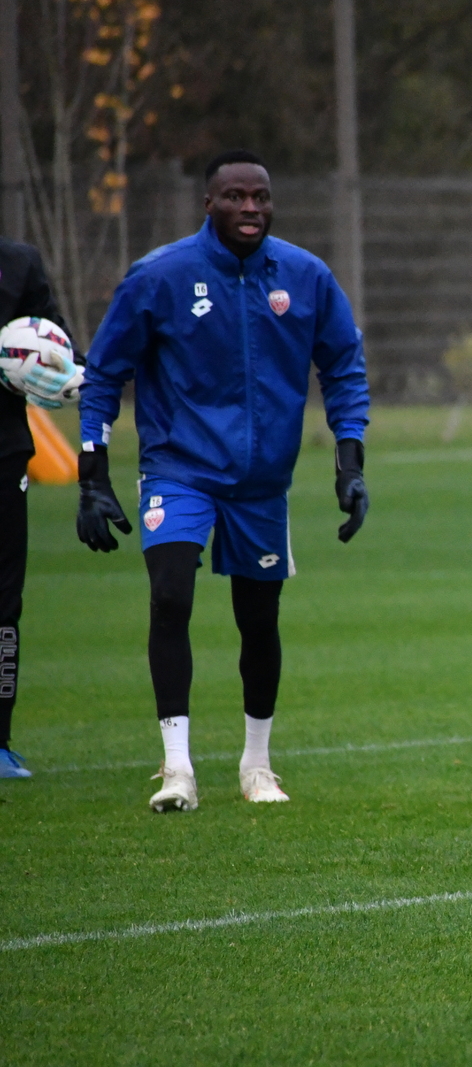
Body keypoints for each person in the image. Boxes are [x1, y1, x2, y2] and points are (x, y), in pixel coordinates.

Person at [76, 149, 370, 812]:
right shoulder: (160, 276)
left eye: (260, 197)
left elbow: (344, 368)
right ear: (208, 203)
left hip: (261, 484)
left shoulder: (306, 276)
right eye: (236, 197)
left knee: (258, 619)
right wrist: (91, 472)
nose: (250, 208)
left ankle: (256, 765)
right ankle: (177, 768)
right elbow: (104, 373)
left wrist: (350, 464)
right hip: (178, 469)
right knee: (170, 597)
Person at [0, 238, 75, 779]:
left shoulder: (18, 262)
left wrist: (67, 373)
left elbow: (53, 342)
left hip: (4, 454)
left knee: (4, 604)